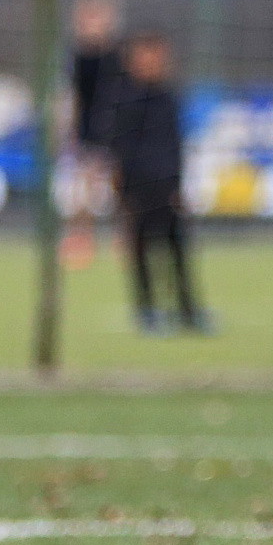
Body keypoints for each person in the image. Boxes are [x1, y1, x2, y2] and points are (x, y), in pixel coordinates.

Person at [103, 32, 210, 335]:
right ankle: (147, 310)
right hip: (138, 188)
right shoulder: (123, 98)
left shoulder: (168, 97)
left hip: (167, 186)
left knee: (177, 248)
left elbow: (175, 145)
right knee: (140, 250)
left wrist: (179, 183)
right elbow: (117, 147)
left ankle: (187, 309)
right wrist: (121, 190)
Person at [65, 0, 127, 270]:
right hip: (88, 128)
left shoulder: (117, 56)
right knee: (84, 188)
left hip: (116, 126)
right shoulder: (78, 58)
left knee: (120, 186)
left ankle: (124, 238)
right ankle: (80, 239)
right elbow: (74, 96)